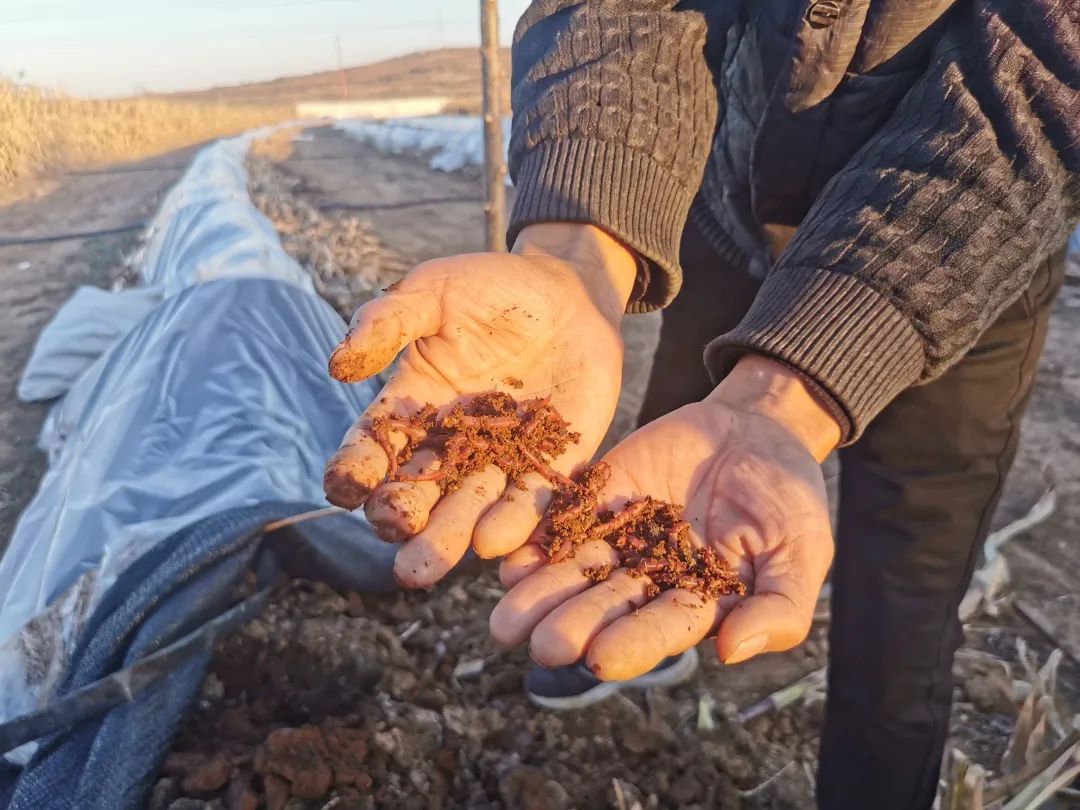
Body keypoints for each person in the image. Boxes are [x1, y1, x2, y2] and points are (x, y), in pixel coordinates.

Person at [323, 1, 1078, 807]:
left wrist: (792, 393)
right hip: (730, 206)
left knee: (903, 613)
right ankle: (630, 627)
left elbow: (1045, 78)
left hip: (955, 261)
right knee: (666, 459)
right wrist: (578, 252)